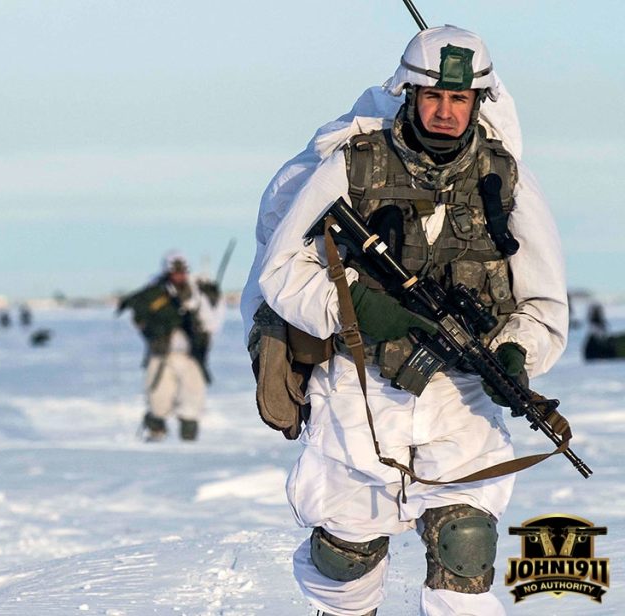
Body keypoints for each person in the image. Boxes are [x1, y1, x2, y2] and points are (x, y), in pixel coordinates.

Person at [244, 26, 568, 616]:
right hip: (358, 394)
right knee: (346, 559)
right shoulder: (352, 165)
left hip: (459, 399)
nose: (445, 112)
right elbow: (282, 269)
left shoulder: (508, 179)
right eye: (434, 97)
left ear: (478, 102)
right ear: (409, 95)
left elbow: (543, 302)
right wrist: (356, 308)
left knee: (465, 548)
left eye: (460, 99)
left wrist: (516, 354)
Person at [120, 252, 225, 441]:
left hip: (191, 355)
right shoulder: (153, 294)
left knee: (192, 399)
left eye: (182, 271)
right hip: (162, 355)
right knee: (159, 398)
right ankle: (155, 432)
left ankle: (189, 440)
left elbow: (213, 323)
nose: (179, 275)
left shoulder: (199, 292)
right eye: (175, 271)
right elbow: (139, 319)